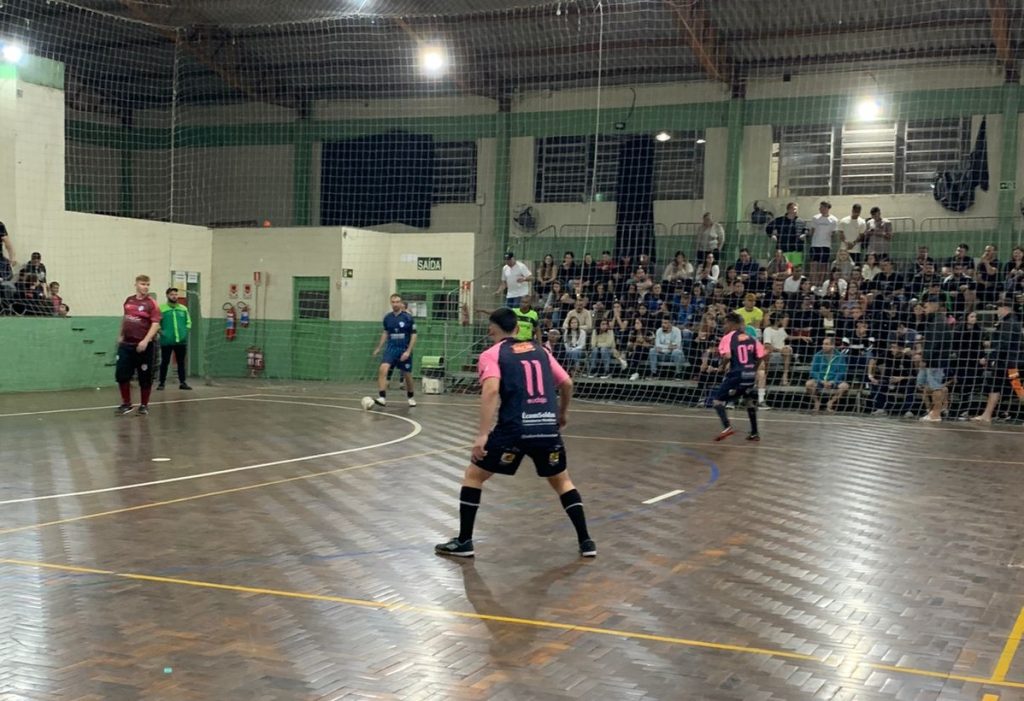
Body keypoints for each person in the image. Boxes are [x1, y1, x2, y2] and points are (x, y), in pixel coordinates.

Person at [435, 308, 595, 558]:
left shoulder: (492, 354)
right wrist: (562, 414)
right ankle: (586, 542)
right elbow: (567, 383)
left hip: (514, 429)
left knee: (474, 475)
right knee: (562, 481)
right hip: (545, 427)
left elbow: (490, 391)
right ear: (518, 329)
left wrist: (482, 435)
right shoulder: (541, 350)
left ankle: (465, 541)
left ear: (491, 329)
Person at [710, 312, 765, 441]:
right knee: (748, 401)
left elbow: (728, 356)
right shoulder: (751, 338)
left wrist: (721, 367)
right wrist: (753, 369)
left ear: (731, 323)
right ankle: (755, 432)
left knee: (717, 400)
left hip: (736, 374)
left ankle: (727, 427)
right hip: (750, 375)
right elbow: (761, 355)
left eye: (725, 323)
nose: (724, 326)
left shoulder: (728, 337)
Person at [115, 274, 162, 416]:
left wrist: (145, 340)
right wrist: (121, 334)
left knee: (145, 377)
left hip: (144, 346)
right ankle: (126, 403)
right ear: (135, 284)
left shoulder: (151, 303)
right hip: (126, 345)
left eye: (147, 284)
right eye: (142, 284)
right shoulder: (129, 301)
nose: (145, 287)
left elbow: (155, 324)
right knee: (122, 375)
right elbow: (126, 318)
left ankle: (144, 405)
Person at [972, 299, 1024, 423]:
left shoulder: (1009, 323)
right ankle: (986, 415)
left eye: (999, 308)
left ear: (1005, 308)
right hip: (1004, 364)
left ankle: (987, 415)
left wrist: (990, 358)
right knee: (994, 387)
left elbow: (1004, 344)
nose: (997, 311)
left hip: (1010, 365)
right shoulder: (1009, 322)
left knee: (1018, 389)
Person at [371, 293, 417, 407]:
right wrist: (379, 347)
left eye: (397, 302)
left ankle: (411, 396)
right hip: (391, 349)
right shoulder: (387, 318)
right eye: (393, 302)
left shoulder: (408, 318)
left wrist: (408, 351)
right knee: (383, 368)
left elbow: (414, 335)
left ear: (401, 303)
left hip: (404, 349)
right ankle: (382, 397)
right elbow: (386, 332)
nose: (395, 304)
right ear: (390, 303)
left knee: (407, 375)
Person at [157, 287, 193, 391]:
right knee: (165, 362)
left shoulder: (183, 308)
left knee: (181, 362)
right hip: (166, 341)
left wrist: (185, 331)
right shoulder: (161, 308)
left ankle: (183, 382)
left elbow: (189, 322)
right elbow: (156, 322)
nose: (174, 296)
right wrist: (161, 332)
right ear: (167, 295)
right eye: (172, 294)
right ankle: (161, 383)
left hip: (181, 341)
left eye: (176, 294)